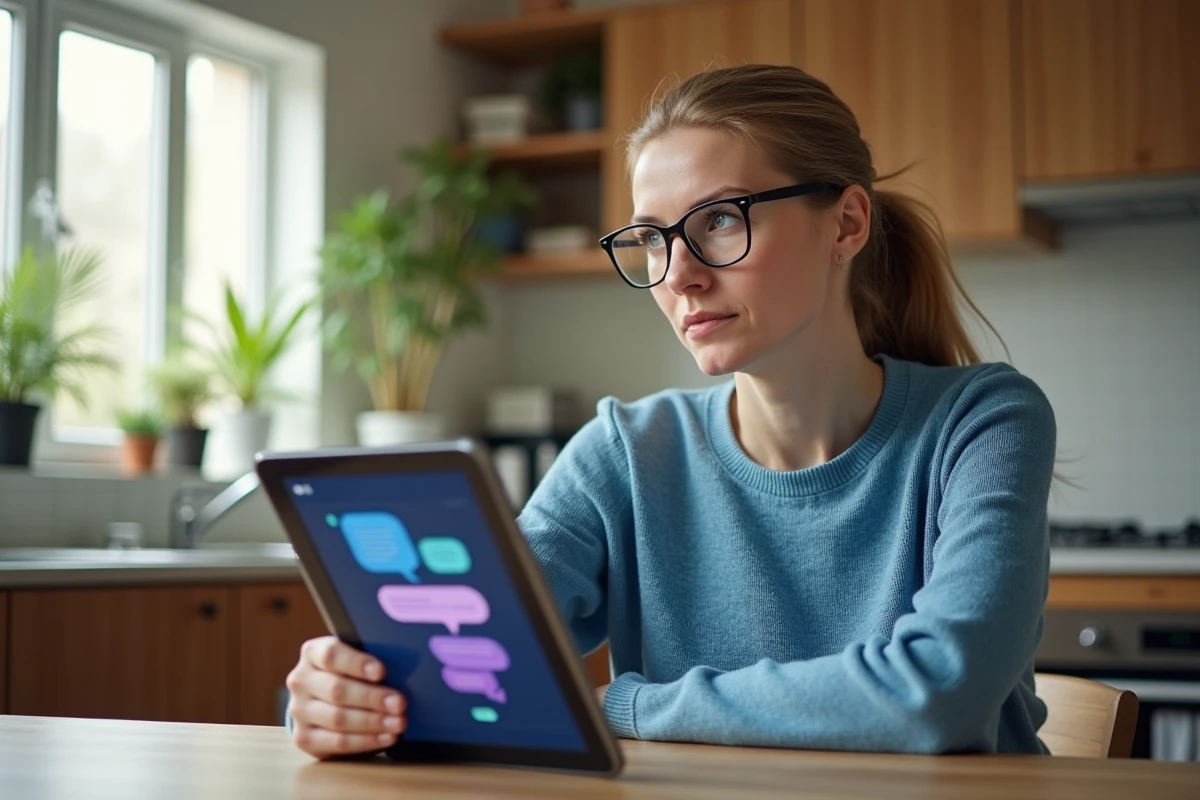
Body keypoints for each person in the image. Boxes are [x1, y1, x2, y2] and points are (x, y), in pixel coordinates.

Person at [285, 64, 1056, 759]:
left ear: (846, 224)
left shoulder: (982, 421)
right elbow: (453, 660)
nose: (678, 275)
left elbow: (936, 696)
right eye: (652, 239)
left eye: (720, 219)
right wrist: (343, 697)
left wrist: (629, 707)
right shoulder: (628, 450)